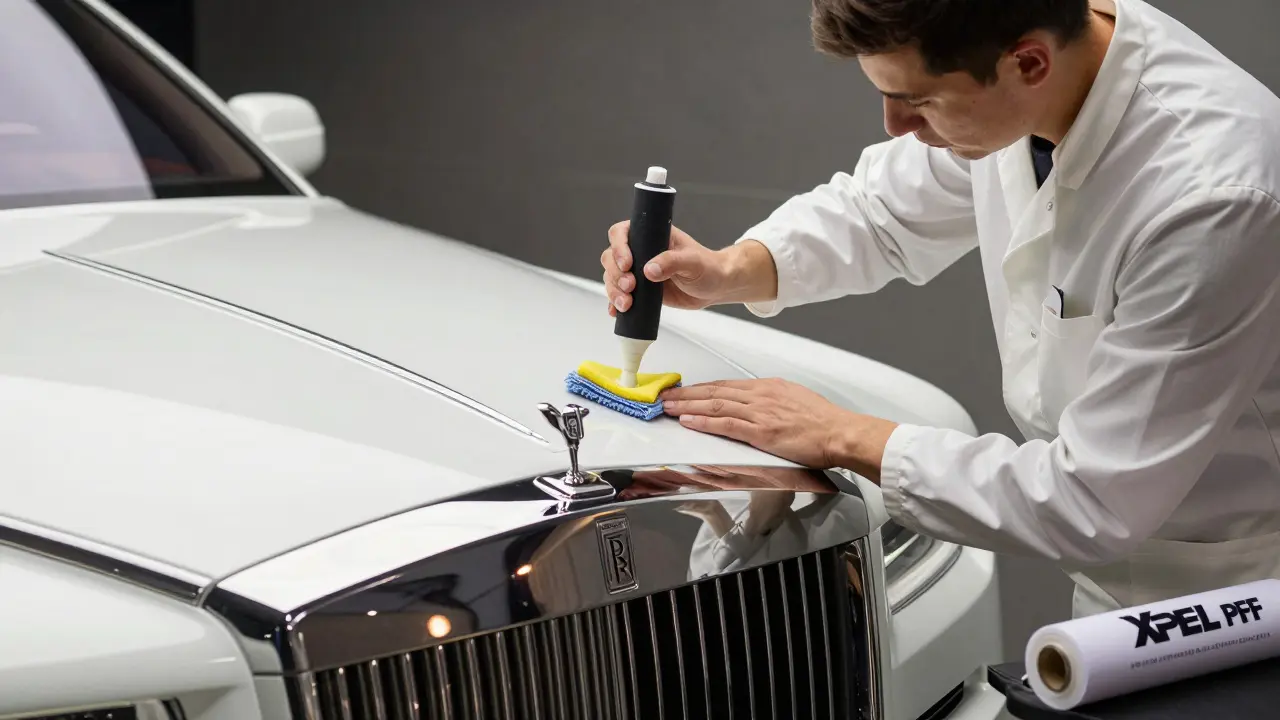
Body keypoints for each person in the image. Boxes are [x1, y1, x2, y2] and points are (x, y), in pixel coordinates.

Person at [600, 0, 1280, 619]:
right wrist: (729, 271)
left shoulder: (1210, 196)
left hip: (1233, 593)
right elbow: (879, 213)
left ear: (1029, 62)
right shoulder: (1036, 73)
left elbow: (1093, 498)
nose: (895, 126)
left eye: (917, 101)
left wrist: (842, 435)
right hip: (1120, 573)